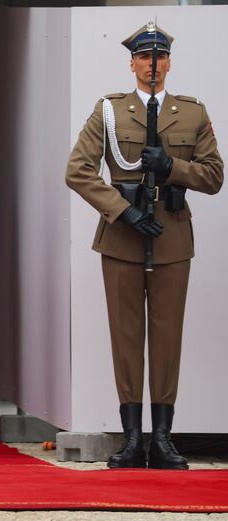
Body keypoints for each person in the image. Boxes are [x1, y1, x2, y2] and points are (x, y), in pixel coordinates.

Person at [66, 23, 223, 470]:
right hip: (122, 237)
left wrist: (172, 166)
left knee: (168, 339)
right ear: (131, 63)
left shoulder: (191, 113)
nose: (152, 66)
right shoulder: (110, 111)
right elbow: (78, 170)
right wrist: (124, 210)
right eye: (143, 58)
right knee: (127, 338)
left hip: (172, 237)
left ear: (169, 62)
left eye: (159, 58)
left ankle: (164, 439)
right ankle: (132, 439)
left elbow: (213, 175)